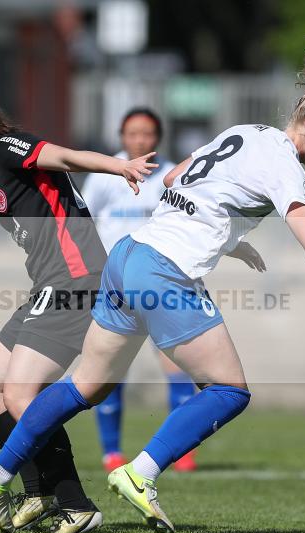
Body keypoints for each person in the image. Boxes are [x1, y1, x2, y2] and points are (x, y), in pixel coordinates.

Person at [0, 33, 305, 533]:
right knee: (230, 389)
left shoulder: (247, 132)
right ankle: (139, 473)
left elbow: (175, 180)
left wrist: (230, 239)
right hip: (162, 273)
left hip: (126, 257)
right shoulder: (285, 166)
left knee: (85, 387)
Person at [0, 102, 157, 533]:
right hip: (47, 288)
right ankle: (39, 493)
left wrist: (118, 166)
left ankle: (76, 504)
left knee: (20, 394)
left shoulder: (8, 150)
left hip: (77, 282)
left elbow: (65, 156)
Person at [82, 107, 206, 473]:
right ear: (122, 136)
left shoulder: (170, 176)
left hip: (161, 283)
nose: (140, 140)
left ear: (158, 136)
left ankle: (181, 450)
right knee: (111, 368)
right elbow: (85, 223)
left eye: (147, 133)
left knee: (177, 364)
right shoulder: (106, 174)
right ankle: (111, 452)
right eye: (133, 133)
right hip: (116, 283)